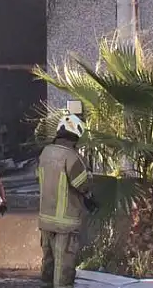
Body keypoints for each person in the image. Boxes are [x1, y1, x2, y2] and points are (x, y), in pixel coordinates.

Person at [37, 113, 98, 288]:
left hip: (45, 221)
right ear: (75, 134)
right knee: (63, 271)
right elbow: (83, 185)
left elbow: (40, 178)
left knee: (48, 268)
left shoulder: (45, 153)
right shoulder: (72, 157)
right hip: (66, 223)